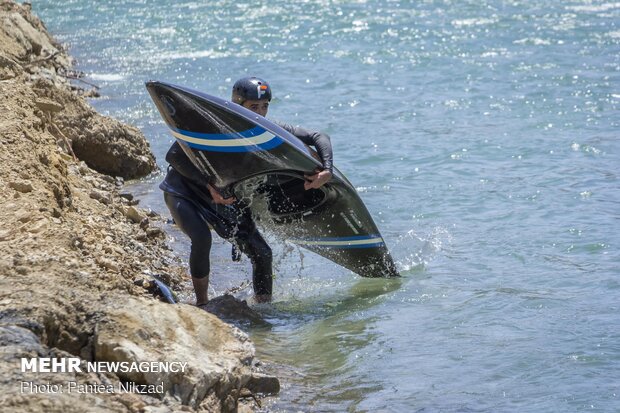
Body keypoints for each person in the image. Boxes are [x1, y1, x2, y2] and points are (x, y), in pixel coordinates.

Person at [160, 76, 333, 306]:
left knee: (262, 253)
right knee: (201, 237)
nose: (260, 113)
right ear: (237, 105)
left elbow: (319, 137)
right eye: (253, 107)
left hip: (222, 201)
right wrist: (210, 186)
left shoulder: (268, 131)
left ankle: (264, 310)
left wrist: (327, 171)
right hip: (184, 192)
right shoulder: (212, 125)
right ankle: (202, 304)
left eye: (265, 106)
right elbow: (174, 157)